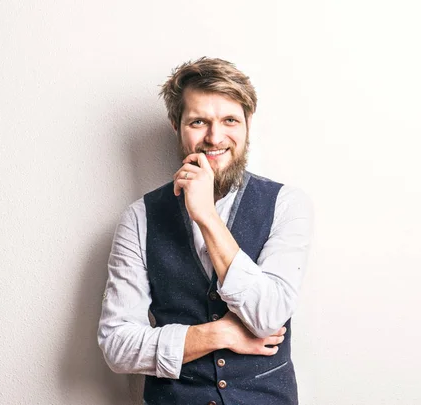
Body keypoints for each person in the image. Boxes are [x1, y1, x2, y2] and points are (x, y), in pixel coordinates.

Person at [98, 57, 313, 405]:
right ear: (176, 125)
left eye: (229, 120)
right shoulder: (138, 219)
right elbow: (117, 346)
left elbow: (269, 315)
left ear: (247, 124)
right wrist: (219, 334)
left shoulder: (287, 205)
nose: (215, 137)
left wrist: (207, 217)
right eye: (199, 121)